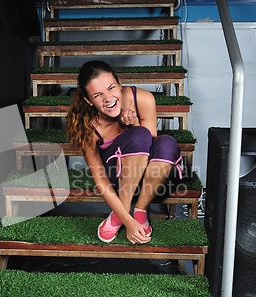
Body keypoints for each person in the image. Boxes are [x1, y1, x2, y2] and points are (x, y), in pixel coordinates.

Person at [66, 60, 182, 245]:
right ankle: (122, 213)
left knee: (166, 143)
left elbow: (150, 145)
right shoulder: (89, 126)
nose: (108, 99)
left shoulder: (143, 99)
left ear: (119, 83)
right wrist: (127, 221)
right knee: (138, 135)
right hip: (118, 177)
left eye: (111, 88)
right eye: (98, 95)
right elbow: (100, 178)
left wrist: (132, 123)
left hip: (149, 176)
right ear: (88, 100)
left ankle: (141, 210)